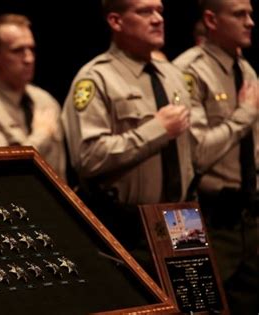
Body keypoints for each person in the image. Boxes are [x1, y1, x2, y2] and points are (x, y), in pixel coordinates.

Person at [61, 0, 194, 277]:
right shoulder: (96, 78)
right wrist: (157, 129)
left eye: (160, 10)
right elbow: (88, 158)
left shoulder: (173, 75)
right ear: (115, 21)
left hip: (181, 221)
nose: (157, 19)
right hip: (127, 232)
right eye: (145, 11)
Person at [174, 0, 258, 313]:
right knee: (203, 307)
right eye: (239, 14)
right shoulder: (188, 71)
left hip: (248, 216)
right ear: (211, 19)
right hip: (206, 218)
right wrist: (243, 115)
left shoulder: (246, 69)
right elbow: (197, 154)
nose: (250, 22)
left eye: (250, 14)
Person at [0, 14, 66, 179]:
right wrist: (40, 136)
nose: (28, 58)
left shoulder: (45, 100)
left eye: (31, 49)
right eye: (17, 51)